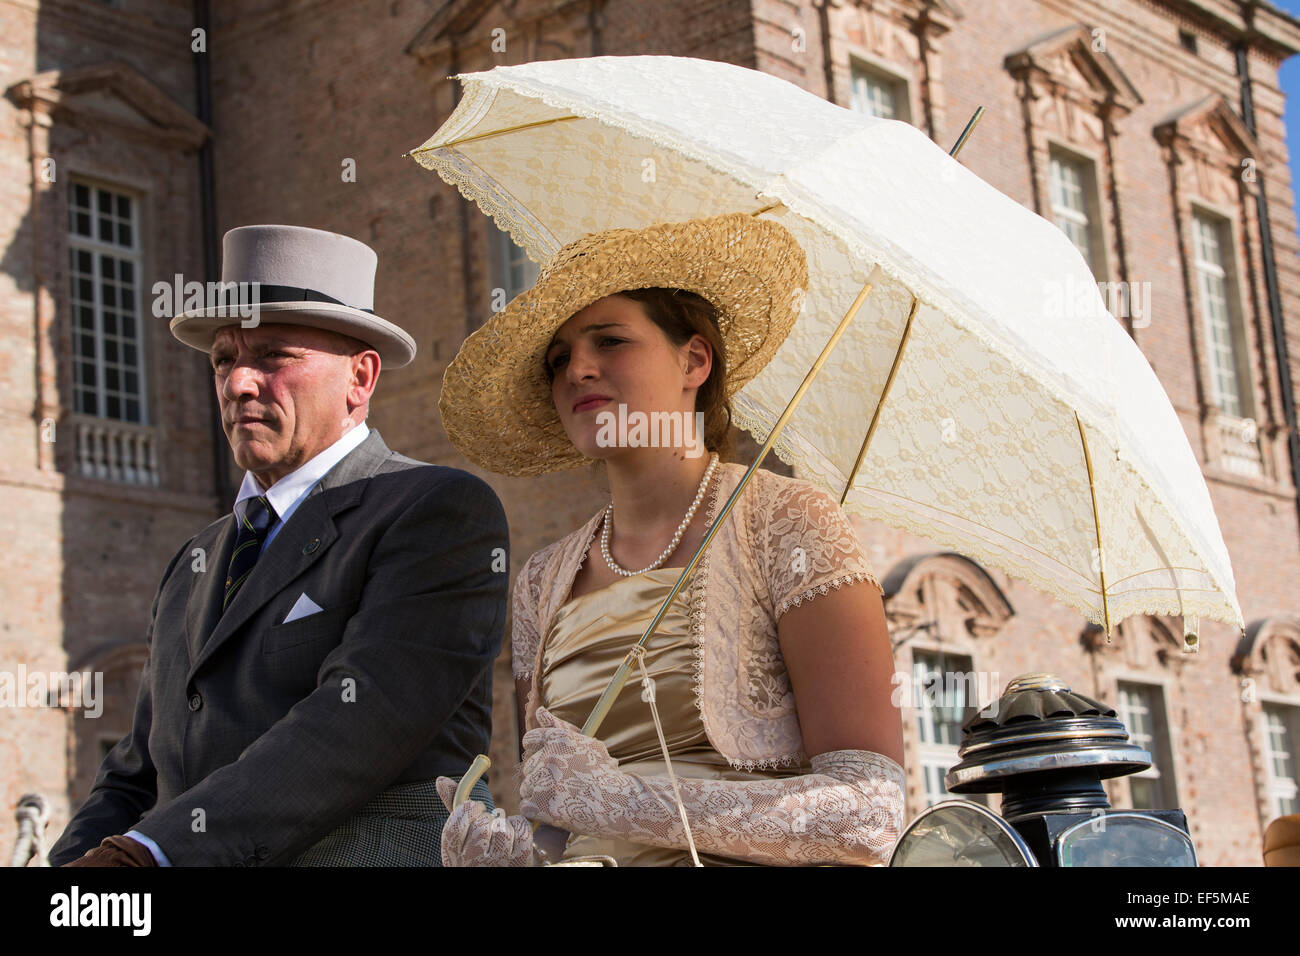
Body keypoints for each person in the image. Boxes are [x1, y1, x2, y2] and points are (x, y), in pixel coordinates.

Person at [434, 212, 905, 866]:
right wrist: (511, 852)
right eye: (560, 357)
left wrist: (628, 803)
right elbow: (558, 816)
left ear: (694, 359)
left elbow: (869, 812)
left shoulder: (789, 521)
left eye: (610, 341)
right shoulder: (542, 581)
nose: (579, 369)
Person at [48, 224, 508, 867]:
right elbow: (133, 774)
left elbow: (357, 723)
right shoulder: (193, 562)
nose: (238, 383)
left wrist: (153, 855)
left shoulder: (435, 511)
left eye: (272, 356)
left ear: (360, 376)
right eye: (223, 360)